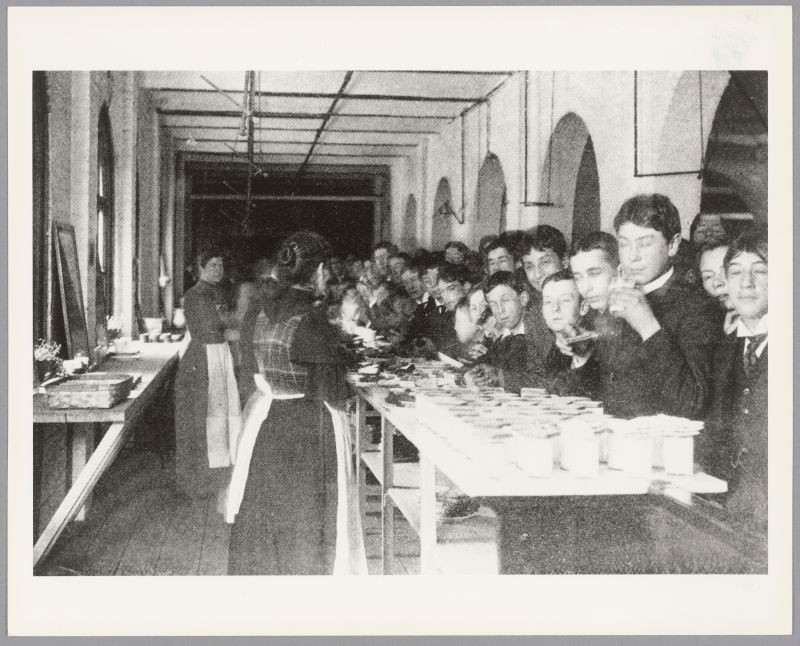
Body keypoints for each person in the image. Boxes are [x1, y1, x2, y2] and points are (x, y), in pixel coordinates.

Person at [227, 231, 366, 575]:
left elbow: (249, 363)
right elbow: (333, 391)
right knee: (305, 522)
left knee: (263, 513)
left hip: (267, 423)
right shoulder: (312, 319)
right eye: (327, 271)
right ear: (319, 271)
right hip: (306, 430)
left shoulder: (261, 309)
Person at [609, 194, 722, 418]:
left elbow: (693, 403)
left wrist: (649, 328)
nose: (632, 257)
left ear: (673, 245)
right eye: (624, 244)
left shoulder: (699, 307)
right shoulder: (617, 298)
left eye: (645, 244)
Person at [700, 227, 768, 530]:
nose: (747, 283)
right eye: (736, 272)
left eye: (761, 271)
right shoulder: (726, 348)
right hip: (728, 507)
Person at [173, 247, 242, 501]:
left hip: (219, 354)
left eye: (221, 265)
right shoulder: (195, 295)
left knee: (220, 414)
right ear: (200, 269)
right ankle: (197, 479)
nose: (218, 270)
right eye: (212, 265)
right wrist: (233, 325)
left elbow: (224, 324)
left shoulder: (217, 292)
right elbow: (212, 326)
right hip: (204, 357)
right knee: (205, 415)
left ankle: (217, 472)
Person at [465, 270, 528, 392]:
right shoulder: (501, 340)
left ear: (523, 299)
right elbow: (475, 367)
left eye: (505, 300)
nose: (500, 310)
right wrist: (469, 375)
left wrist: (500, 377)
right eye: (493, 304)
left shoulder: (539, 335)